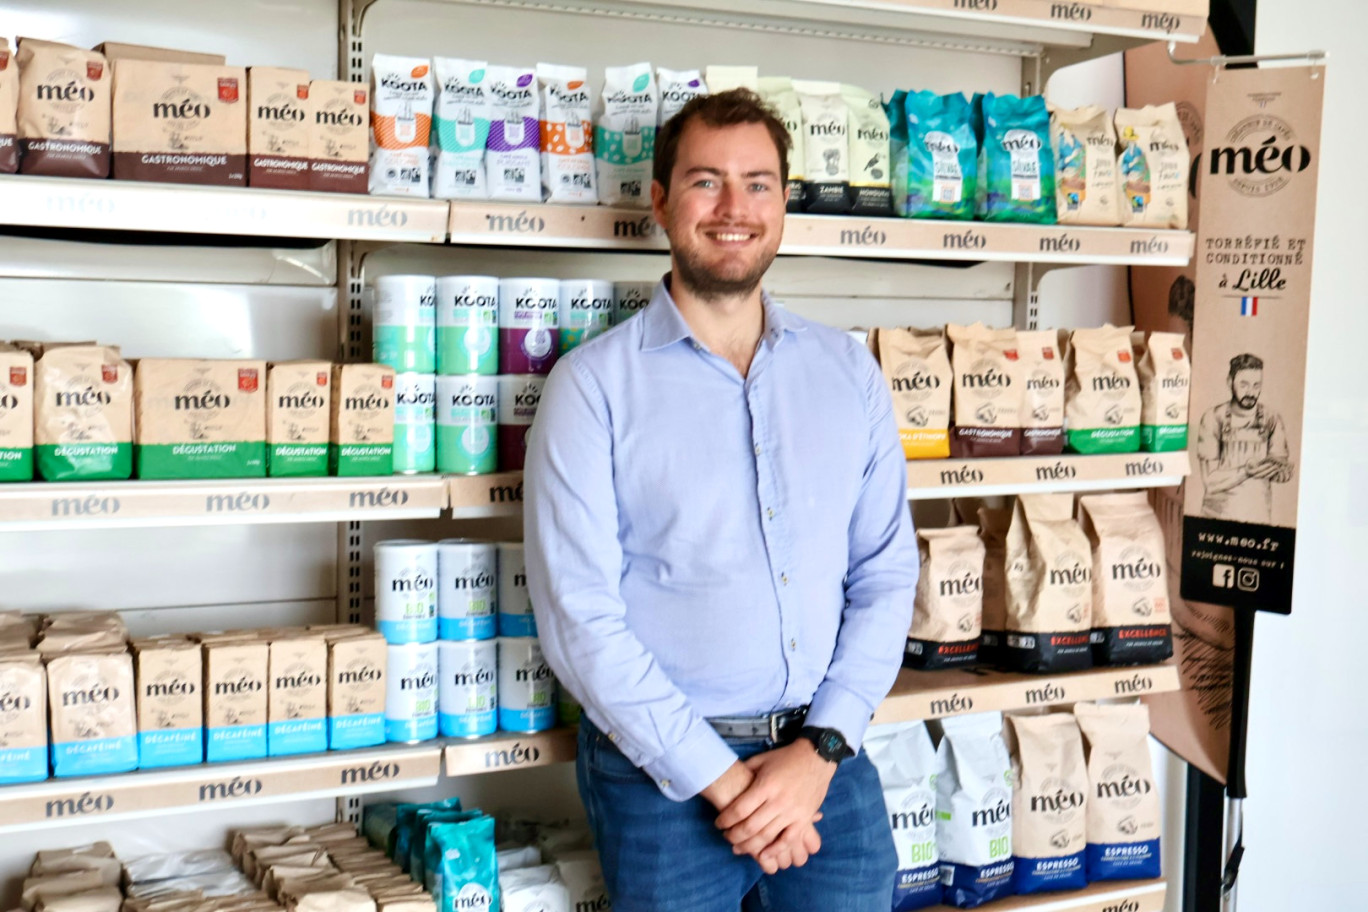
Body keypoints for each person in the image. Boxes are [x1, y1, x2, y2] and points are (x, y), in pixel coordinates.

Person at [524, 89, 917, 912]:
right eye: (707, 182)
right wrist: (728, 782)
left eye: (759, 184)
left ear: (784, 203)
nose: (734, 209)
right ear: (662, 202)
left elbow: (885, 576)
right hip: (659, 780)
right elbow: (579, 619)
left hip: (827, 768)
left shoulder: (848, 373)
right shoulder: (592, 387)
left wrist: (819, 753)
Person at [1196, 353, 1292, 523]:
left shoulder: (1272, 418)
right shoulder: (1213, 418)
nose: (1251, 392)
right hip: (1217, 519)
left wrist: (1282, 473)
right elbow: (1211, 483)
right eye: (1244, 384)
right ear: (1229, 382)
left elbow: (1280, 465)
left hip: (1259, 517)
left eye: (1256, 385)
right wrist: (1247, 471)